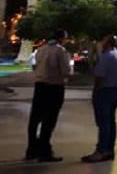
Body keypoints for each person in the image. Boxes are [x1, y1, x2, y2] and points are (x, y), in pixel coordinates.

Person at [25, 30, 72, 163]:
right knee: (49, 120)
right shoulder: (60, 51)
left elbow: (35, 66)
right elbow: (65, 71)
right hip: (54, 86)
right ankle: (44, 151)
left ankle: (31, 149)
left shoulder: (41, 50)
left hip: (40, 85)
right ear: (61, 38)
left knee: (35, 118)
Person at [82, 34, 117, 163]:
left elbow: (100, 77)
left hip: (105, 91)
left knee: (103, 122)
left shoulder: (106, 56)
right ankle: (109, 149)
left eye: (103, 41)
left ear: (107, 43)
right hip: (116, 90)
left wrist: (95, 93)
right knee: (111, 121)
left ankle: (101, 150)